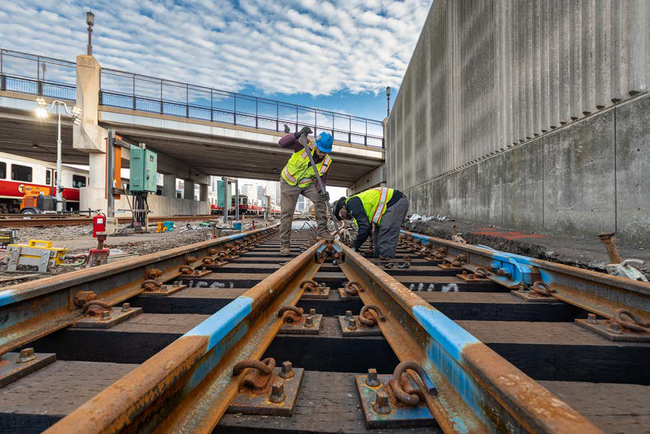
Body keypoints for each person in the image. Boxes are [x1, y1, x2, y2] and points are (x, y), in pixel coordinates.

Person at [278, 126, 334, 256]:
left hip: (307, 184)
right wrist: (296, 134)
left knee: (320, 200)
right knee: (287, 213)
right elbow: (282, 143)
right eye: (320, 150)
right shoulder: (303, 145)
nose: (322, 153)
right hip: (289, 182)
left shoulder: (327, 161)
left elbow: (322, 180)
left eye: (325, 151)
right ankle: (284, 245)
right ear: (317, 145)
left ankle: (323, 230)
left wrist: (322, 191)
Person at [334, 187, 409, 261]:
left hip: (395, 202)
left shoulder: (351, 204)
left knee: (387, 230)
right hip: (387, 206)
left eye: (341, 215)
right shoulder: (354, 204)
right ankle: (379, 256)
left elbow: (364, 227)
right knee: (376, 235)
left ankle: (387, 259)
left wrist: (355, 246)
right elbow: (367, 227)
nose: (344, 217)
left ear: (343, 208)